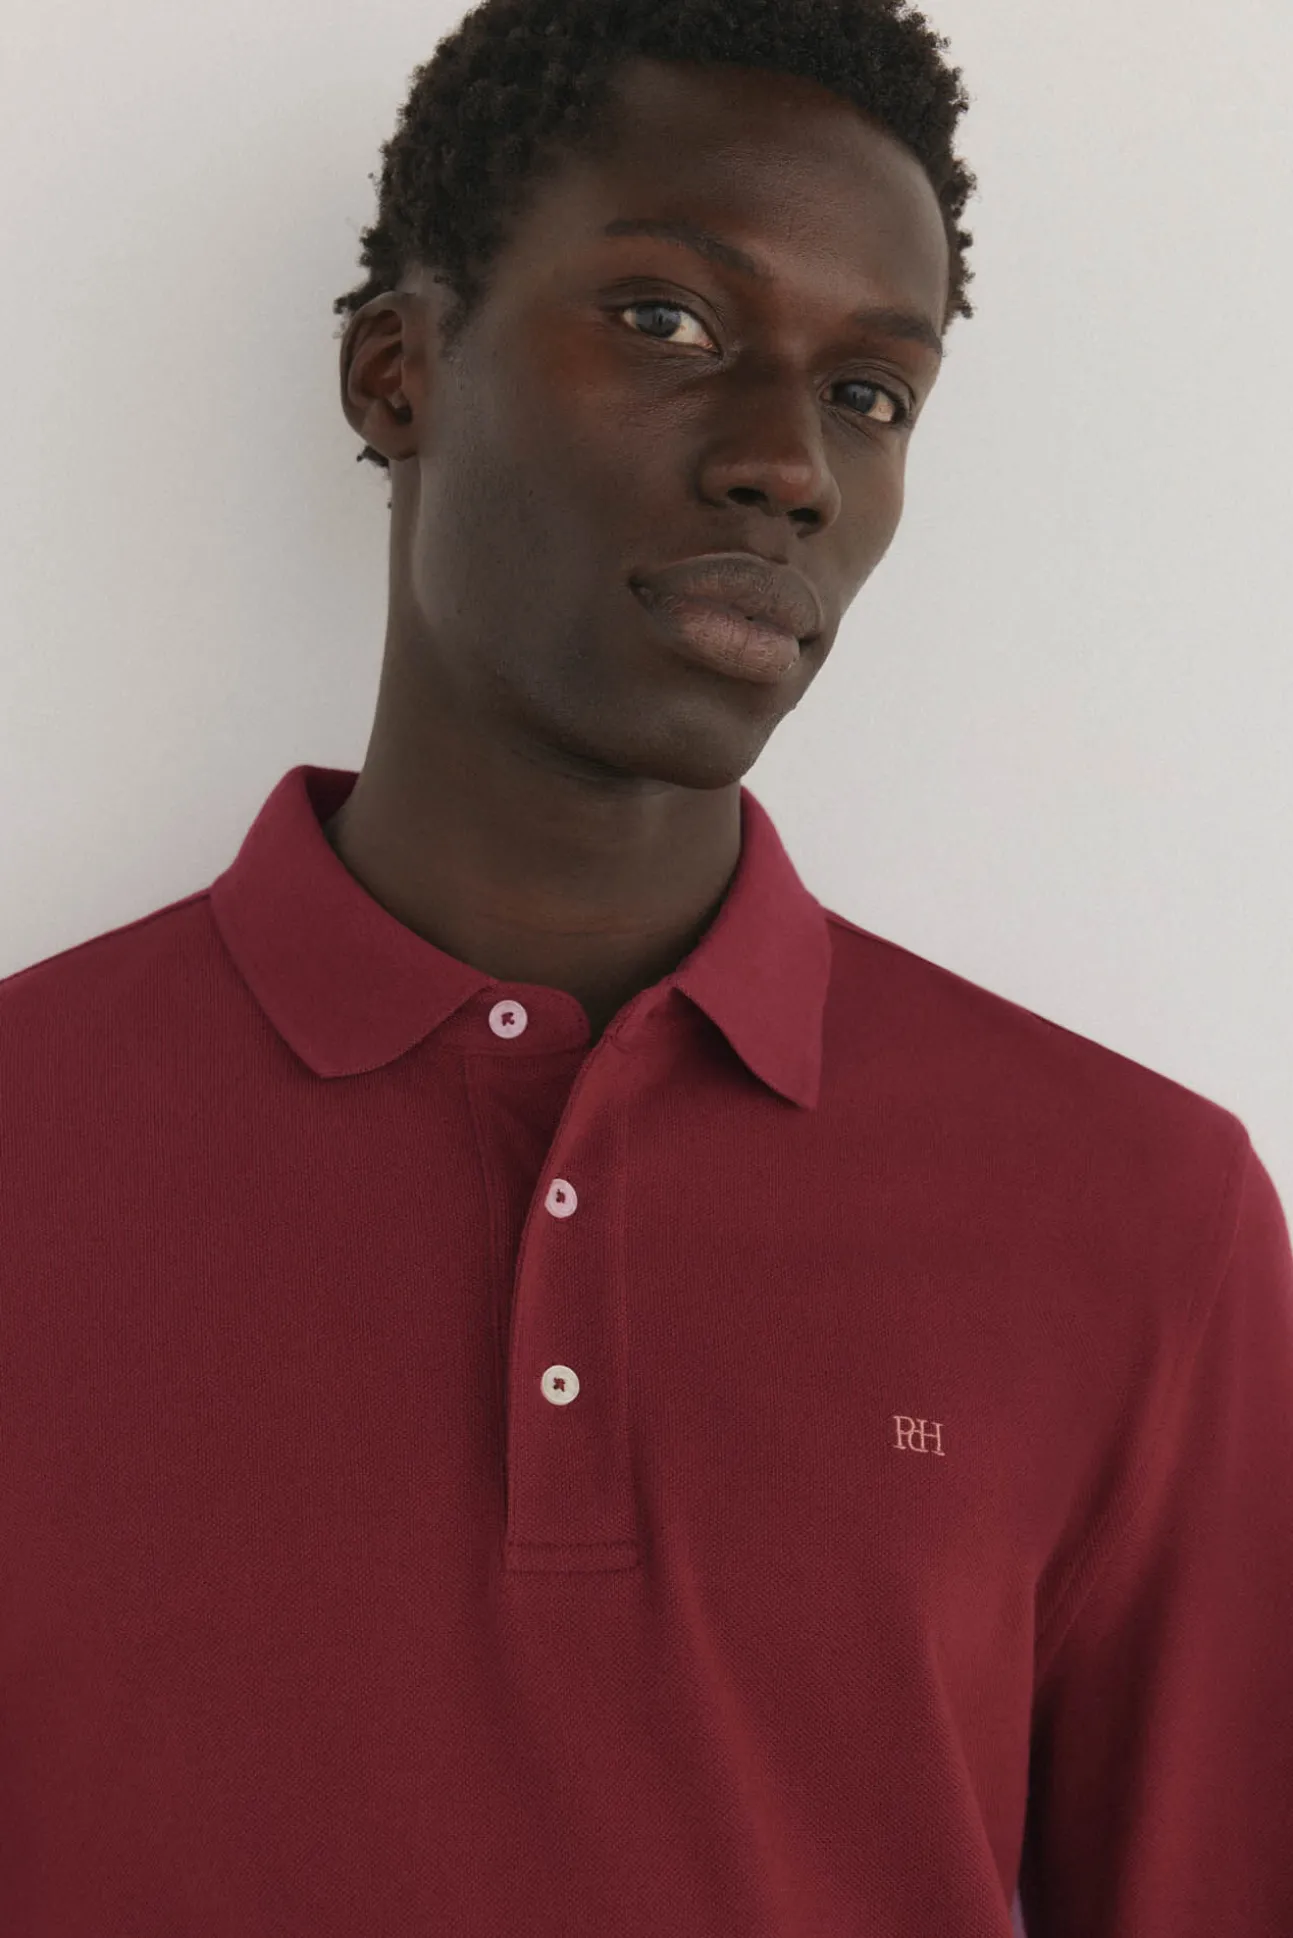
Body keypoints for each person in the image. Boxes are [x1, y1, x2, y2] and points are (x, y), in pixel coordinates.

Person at [3, 2, 1290, 1934]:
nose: (788, 465)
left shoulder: (1141, 1222)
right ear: (396, 373)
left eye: (872, 393)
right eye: (668, 320)